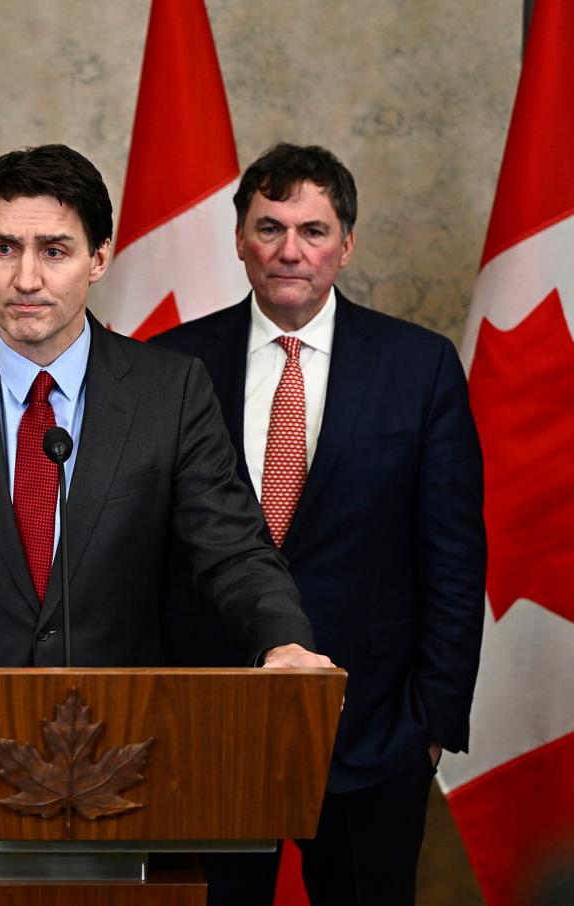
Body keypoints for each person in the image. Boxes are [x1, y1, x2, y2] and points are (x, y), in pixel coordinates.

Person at [0, 143, 331, 735]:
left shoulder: (169, 392)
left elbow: (235, 552)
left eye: (54, 251)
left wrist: (284, 643)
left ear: (98, 259)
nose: (26, 279)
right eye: (4, 249)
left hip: (125, 734)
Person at [149, 143, 485, 906]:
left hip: (373, 727)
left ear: (346, 243)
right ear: (239, 239)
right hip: (209, 728)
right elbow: (143, 553)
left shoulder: (419, 366)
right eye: (269, 228)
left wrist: (430, 723)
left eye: (312, 229)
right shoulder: (169, 367)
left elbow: (455, 558)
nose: (290, 251)